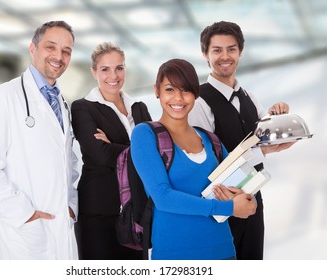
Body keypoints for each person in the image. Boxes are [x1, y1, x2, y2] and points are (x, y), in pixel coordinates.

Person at [0, 21, 79, 259]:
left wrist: (70, 205)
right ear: (33, 49)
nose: (59, 56)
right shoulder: (3, 97)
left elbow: (69, 162)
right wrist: (24, 215)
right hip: (22, 237)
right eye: (51, 47)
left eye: (66, 51)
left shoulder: (61, 104)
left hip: (60, 230)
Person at [130, 58, 257, 260]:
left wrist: (248, 200)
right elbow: (163, 197)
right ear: (157, 91)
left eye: (186, 90)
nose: (178, 98)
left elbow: (241, 185)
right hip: (175, 257)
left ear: (196, 93)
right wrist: (230, 207)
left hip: (223, 252)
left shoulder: (211, 139)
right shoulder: (145, 134)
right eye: (170, 89)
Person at [188, 21, 294, 260]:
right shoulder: (199, 101)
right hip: (221, 202)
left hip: (253, 196)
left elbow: (261, 138)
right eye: (217, 50)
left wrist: (277, 116)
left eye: (231, 49)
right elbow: (208, 159)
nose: (225, 56)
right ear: (205, 54)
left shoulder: (248, 96)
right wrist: (265, 153)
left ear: (240, 52)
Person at [71, 42, 152, 260]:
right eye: (105, 69)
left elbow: (154, 154)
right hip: (99, 210)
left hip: (137, 210)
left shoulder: (139, 107)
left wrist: (113, 146)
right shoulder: (82, 108)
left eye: (119, 67)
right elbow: (100, 155)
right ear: (94, 72)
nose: (113, 75)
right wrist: (139, 151)